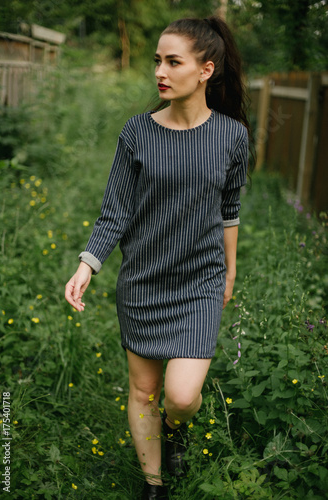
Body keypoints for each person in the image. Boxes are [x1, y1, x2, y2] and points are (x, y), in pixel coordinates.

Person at [65, 15, 252, 500]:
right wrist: (88, 264)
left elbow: (229, 209)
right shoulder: (137, 134)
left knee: (181, 397)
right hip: (144, 282)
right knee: (143, 391)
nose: (160, 72)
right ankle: (154, 486)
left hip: (200, 283)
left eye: (173, 61)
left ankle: (176, 430)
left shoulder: (231, 136)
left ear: (206, 69)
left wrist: (230, 271)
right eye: (157, 61)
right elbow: (115, 213)